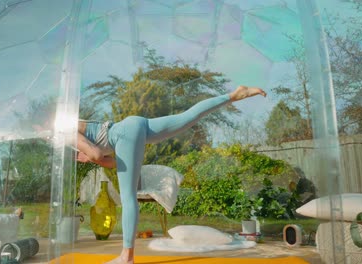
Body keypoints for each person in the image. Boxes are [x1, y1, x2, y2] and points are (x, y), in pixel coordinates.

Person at [76, 85, 266, 264]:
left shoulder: (66, 132)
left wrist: (89, 157)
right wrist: (102, 158)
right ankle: (233, 95)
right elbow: (114, 162)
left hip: (124, 134)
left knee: (128, 197)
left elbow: (98, 155)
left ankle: (126, 257)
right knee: (187, 117)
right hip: (134, 125)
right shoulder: (74, 126)